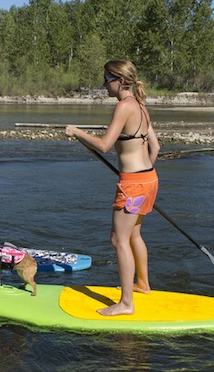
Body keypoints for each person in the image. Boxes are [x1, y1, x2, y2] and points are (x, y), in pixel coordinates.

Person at [65, 60, 160, 316]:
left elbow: (105, 145)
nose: (104, 85)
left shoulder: (124, 106)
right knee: (134, 235)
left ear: (120, 81)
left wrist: (77, 132)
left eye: (107, 80)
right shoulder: (141, 106)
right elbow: (156, 148)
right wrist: (144, 176)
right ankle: (143, 284)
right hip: (148, 179)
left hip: (134, 184)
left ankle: (126, 303)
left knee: (118, 239)